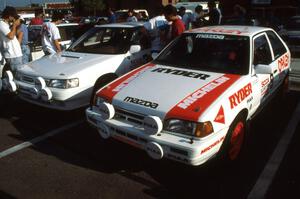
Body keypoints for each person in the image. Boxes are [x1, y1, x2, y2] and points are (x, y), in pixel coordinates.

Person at [0, 6, 23, 73]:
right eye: (13, 16)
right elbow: (11, 36)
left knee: (9, 76)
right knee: (17, 76)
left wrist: (18, 25)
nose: (14, 18)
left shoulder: (6, 25)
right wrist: (15, 25)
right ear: (9, 16)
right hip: (12, 55)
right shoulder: (1, 24)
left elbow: (15, 34)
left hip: (15, 55)